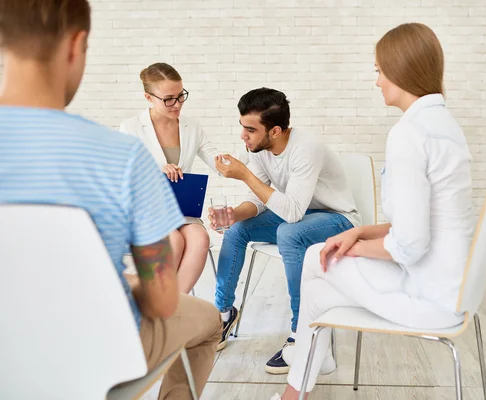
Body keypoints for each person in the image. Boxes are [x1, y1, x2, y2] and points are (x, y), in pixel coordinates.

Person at [0, 1, 221, 398]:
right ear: (76, 45)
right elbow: (159, 300)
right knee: (207, 322)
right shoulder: (123, 157)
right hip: (95, 350)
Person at [272, 23, 474, 400]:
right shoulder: (445, 126)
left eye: (379, 71)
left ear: (400, 70)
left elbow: (410, 244)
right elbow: (425, 220)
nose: (377, 81)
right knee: (318, 285)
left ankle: (297, 385)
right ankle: (304, 378)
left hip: (429, 298)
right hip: (453, 288)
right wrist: (361, 233)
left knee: (317, 258)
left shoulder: (409, 134)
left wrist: (349, 249)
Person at [208, 88, 361, 374]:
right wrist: (234, 214)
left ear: (276, 130)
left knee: (289, 233)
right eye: (242, 127)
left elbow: (291, 212)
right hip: (300, 215)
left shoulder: (306, 148)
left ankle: (300, 333)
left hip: (338, 219)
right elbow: (260, 200)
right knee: (237, 229)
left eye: (250, 130)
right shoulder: (260, 149)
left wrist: (245, 174)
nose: (243, 136)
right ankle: (223, 313)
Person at [120, 63, 219, 294]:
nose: (177, 104)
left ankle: (175, 309)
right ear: (148, 97)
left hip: (179, 209)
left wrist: (243, 160)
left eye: (181, 96)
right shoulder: (131, 127)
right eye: (168, 99)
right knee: (173, 241)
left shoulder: (191, 126)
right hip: (146, 211)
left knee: (199, 238)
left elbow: (216, 160)